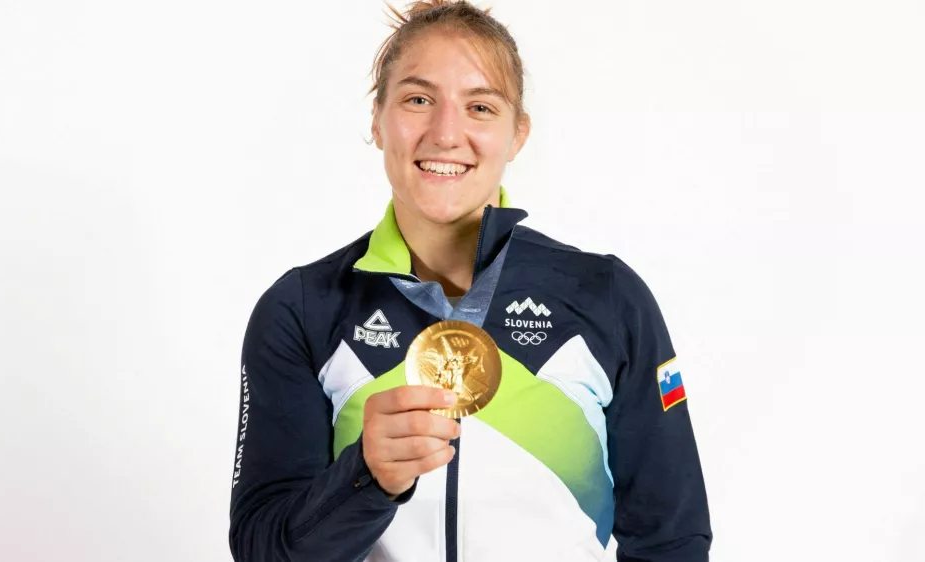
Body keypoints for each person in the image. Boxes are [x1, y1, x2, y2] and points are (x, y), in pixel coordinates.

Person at [227, 1, 712, 560]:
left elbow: (673, 540)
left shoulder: (606, 296)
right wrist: (366, 476)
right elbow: (261, 548)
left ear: (517, 134)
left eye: (480, 106)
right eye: (417, 100)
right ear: (377, 120)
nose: (445, 133)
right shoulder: (303, 308)